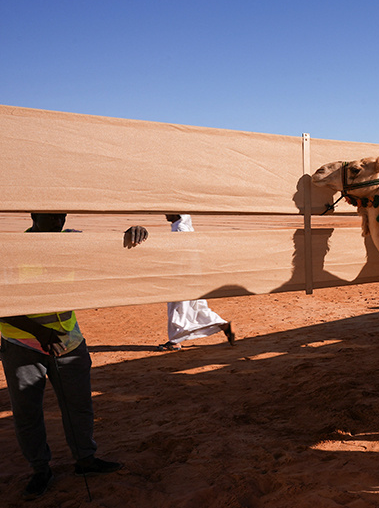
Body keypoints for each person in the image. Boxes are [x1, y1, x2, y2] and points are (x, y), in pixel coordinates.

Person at [0, 213, 149, 500]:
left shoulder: (73, 240)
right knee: (27, 412)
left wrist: (132, 232)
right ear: (33, 214)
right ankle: (40, 469)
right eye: (51, 214)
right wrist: (39, 332)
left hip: (68, 341)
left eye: (62, 213)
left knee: (78, 405)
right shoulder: (13, 248)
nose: (59, 219)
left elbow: (111, 248)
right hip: (22, 343)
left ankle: (85, 459)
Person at [157, 215, 235, 351]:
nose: (165, 214)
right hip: (191, 275)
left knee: (178, 309)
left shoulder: (180, 229)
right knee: (197, 307)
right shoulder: (184, 227)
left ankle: (175, 341)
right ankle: (224, 325)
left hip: (183, 276)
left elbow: (181, 256)